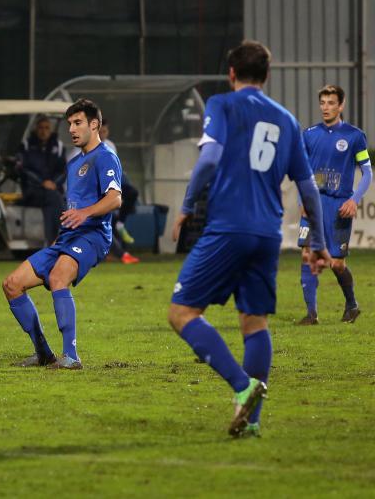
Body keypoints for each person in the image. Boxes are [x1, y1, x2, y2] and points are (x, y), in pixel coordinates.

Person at [169, 41, 332, 438]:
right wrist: (319, 243)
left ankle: (243, 387)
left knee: (182, 312)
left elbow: (208, 159)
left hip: (229, 227)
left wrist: (187, 206)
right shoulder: (287, 120)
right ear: (267, 75)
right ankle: (252, 423)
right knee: (253, 321)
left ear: (230, 73)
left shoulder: (222, 106)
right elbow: (308, 189)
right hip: (266, 234)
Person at [2, 98, 122, 370]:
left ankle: (71, 356)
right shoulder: (73, 163)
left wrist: (85, 213)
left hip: (93, 236)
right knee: (12, 284)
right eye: (69, 123)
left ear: (95, 125)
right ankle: (44, 353)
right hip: (68, 237)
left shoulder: (105, 156)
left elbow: (115, 199)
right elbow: (74, 207)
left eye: (78, 122)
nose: (72, 128)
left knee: (58, 277)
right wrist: (61, 236)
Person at [297, 85, 370, 325]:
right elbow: (303, 173)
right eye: (323, 103)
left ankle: (352, 305)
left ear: (341, 105)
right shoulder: (309, 134)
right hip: (314, 202)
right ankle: (311, 314)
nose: (326, 108)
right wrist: (302, 200)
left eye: (331, 103)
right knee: (308, 255)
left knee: (337, 263)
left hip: (339, 205)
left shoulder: (354, 136)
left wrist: (354, 199)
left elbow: (367, 173)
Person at [16, 116, 67, 246]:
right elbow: (23, 170)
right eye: (40, 128)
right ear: (35, 129)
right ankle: (61, 238)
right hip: (32, 190)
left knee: (51, 203)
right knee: (54, 198)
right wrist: (42, 183)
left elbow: (64, 171)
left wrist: (54, 183)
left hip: (53, 191)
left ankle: (50, 242)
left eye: (46, 128)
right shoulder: (27, 145)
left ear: (50, 130)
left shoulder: (59, 146)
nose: (43, 131)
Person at [99, 123, 140, 261]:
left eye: (105, 131)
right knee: (105, 219)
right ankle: (120, 254)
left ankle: (120, 224)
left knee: (132, 192)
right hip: (99, 190)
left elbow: (114, 169)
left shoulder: (110, 145)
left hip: (113, 185)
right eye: (100, 131)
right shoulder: (89, 147)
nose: (102, 134)